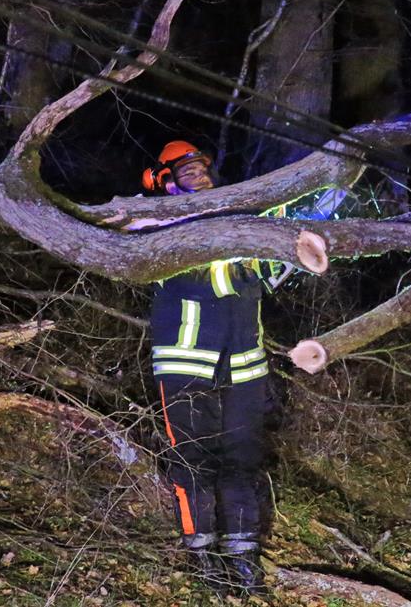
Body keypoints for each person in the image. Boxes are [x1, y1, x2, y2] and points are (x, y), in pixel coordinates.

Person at [142, 140, 272, 593]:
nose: (198, 175)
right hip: (185, 359)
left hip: (244, 362)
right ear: (164, 180)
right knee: (192, 457)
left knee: (242, 456)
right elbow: (208, 280)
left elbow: (269, 273)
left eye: (201, 167)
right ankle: (200, 552)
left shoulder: (239, 219)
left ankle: (242, 552)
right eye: (186, 171)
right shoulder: (156, 222)